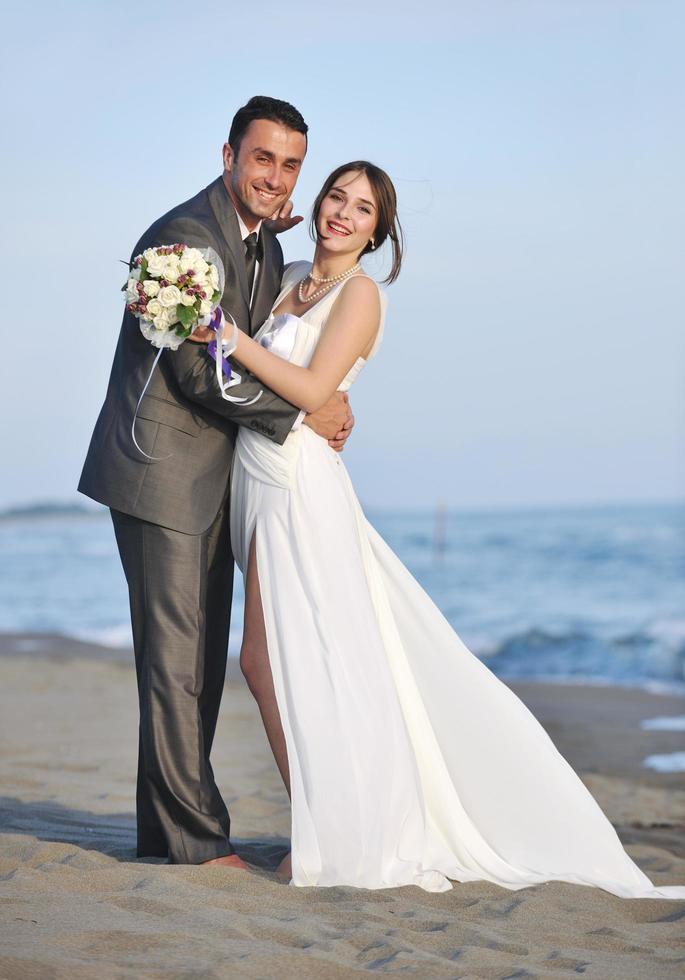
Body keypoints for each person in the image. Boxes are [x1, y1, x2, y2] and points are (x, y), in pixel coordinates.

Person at [225, 160, 685, 898]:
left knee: (293, 661)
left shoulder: (361, 293)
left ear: (379, 231)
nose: (343, 213)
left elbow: (313, 390)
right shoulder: (289, 276)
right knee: (273, 662)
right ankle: (325, 820)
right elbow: (270, 378)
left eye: (363, 209)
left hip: (299, 483)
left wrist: (224, 336)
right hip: (258, 475)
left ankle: (336, 832)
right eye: (336, 197)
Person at [78, 96, 355, 867]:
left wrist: (323, 389)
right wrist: (304, 414)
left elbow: (269, 339)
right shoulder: (181, 240)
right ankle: (196, 842)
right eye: (262, 158)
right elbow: (204, 372)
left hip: (217, 481)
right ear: (227, 155)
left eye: (290, 165)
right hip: (158, 471)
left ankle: (164, 834)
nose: (275, 176)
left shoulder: (261, 243)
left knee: (194, 664)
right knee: (174, 664)